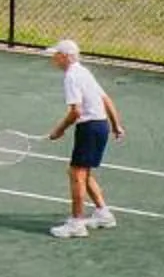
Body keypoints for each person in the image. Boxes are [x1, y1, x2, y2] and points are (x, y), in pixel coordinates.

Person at [42, 39, 126, 238]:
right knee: (83, 172)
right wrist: (115, 126)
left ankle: (76, 223)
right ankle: (103, 214)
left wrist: (59, 130)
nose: (54, 59)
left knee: (76, 174)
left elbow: (76, 111)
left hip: (89, 127)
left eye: (56, 55)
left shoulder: (71, 76)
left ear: (66, 56)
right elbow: (106, 99)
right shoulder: (84, 72)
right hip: (101, 126)